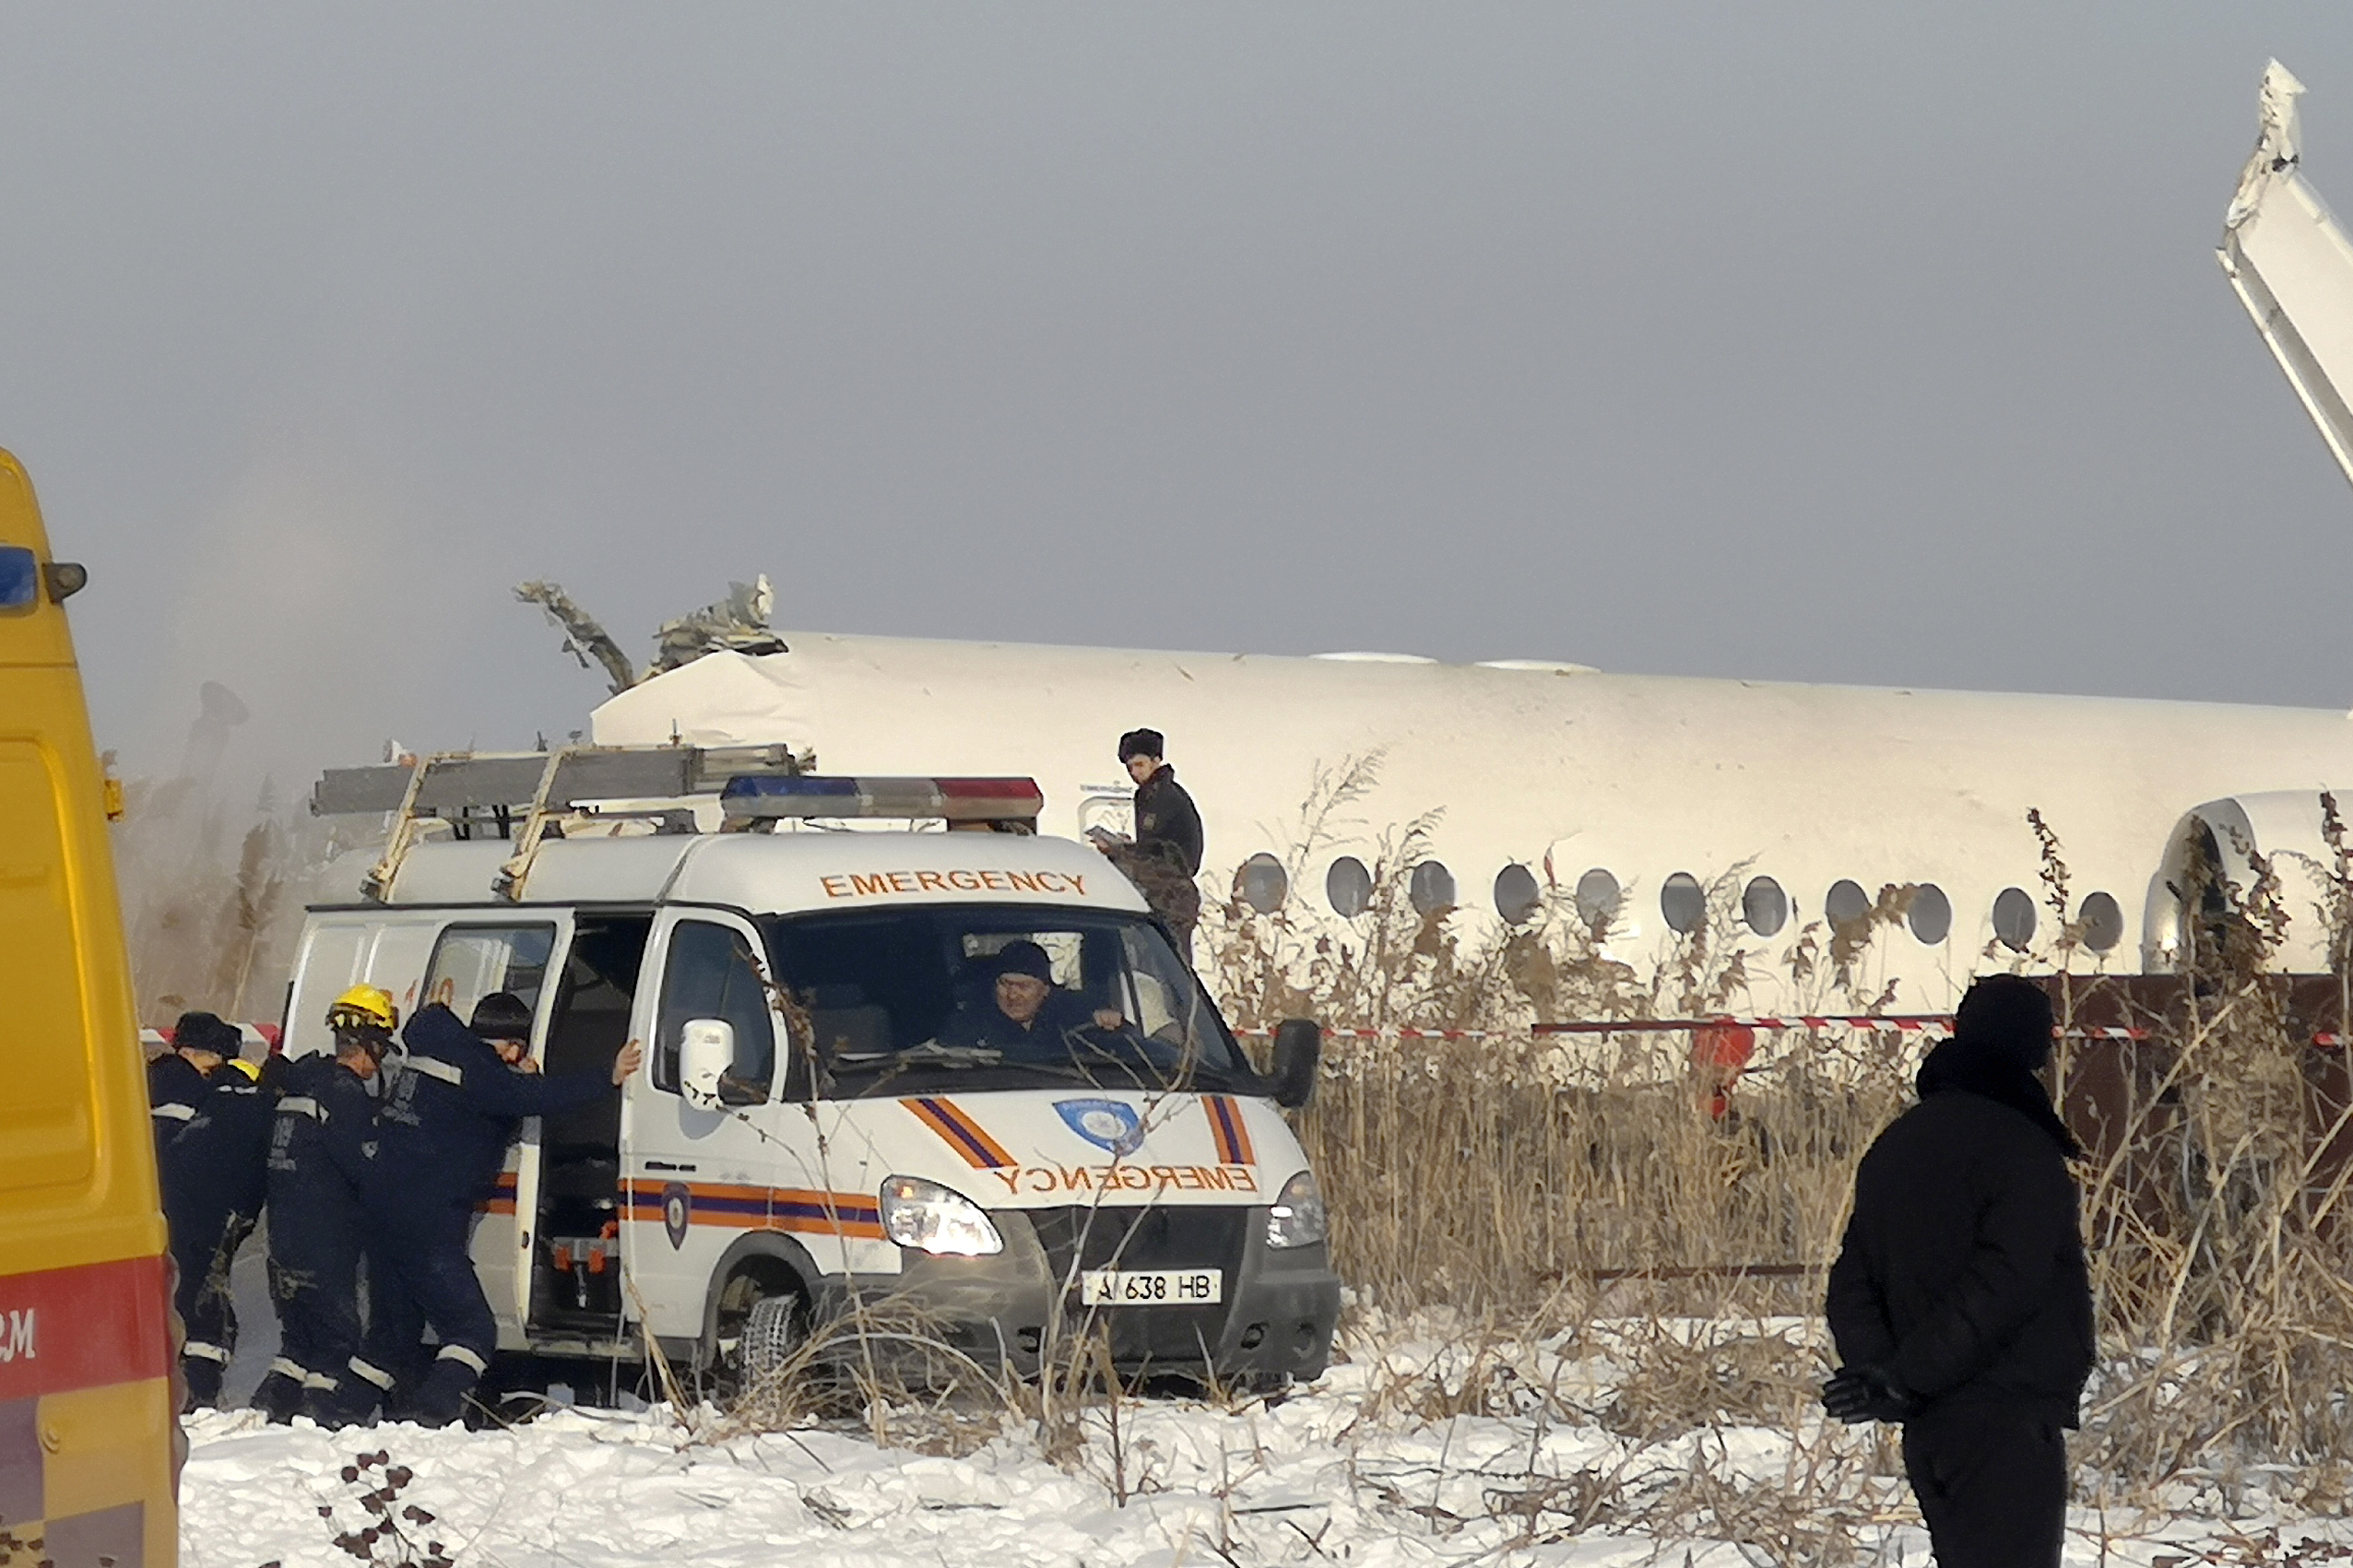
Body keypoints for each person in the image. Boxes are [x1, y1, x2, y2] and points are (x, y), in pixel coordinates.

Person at [1822, 973, 2094, 1568]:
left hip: (1929, 1431)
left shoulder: (1896, 1145)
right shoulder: (2023, 1150)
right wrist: (1907, 1377)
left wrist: (1883, 1375)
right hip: (2006, 1422)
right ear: (2027, 1047)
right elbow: (2007, 1284)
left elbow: (1851, 1279)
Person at [325, 997, 641, 1427]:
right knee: (471, 1329)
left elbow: (482, 1116)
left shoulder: (437, 1056)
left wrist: (516, 1089)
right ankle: (432, 1414)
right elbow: (531, 1096)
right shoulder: (479, 1071)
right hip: (425, 1218)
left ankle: (337, 1417)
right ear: (509, 1045)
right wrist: (609, 1075)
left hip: (380, 1211)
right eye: (517, 1049)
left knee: (390, 1338)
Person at [251, 985, 395, 1425]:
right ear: (368, 1044)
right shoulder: (345, 1096)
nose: (383, 1059)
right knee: (336, 1338)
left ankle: (270, 1405)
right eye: (383, 1048)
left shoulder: (303, 1085)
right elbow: (364, 1165)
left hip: (284, 1236)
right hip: (326, 1238)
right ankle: (321, 1415)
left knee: (299, 1337)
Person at [153, 1010, 278, 1409]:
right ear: (197, 1053)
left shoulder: (145, 1081)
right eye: (215, 1060)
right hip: (186, 1213)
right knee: (199, 1299)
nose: (216, 1070)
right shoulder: (191, 1092)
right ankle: (200, 1389)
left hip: (149, 1212)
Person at [1092, 728, 1204, 961]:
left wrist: (1119, 850)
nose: (1134, 772)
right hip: (1162, 891)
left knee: (1168, 967)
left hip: (1170, 894)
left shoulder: (1164, 798)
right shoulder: (1153, 794)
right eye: (1130, 767)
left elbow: (1161, 853)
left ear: (1156, 761)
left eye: (1140, 764)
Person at [939, 941, 1123, 1057]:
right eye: (1005, 984)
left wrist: (1110, 1023)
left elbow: (1127, 1048)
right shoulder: (967, 1023)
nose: (1013, 995)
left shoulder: (1076, 1014)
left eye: (1024, 986)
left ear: (1045, 990)